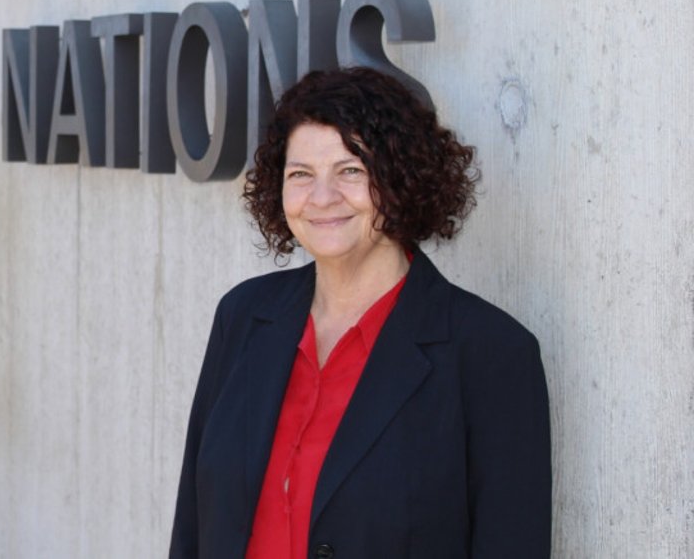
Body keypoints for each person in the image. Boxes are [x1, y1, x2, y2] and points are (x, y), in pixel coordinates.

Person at [168, 66, 551, 558]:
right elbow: (193, 528)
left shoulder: (490, 353)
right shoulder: (242, 316)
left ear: (400, 177)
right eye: (301, 174)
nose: (322, 198)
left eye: (351, 170)